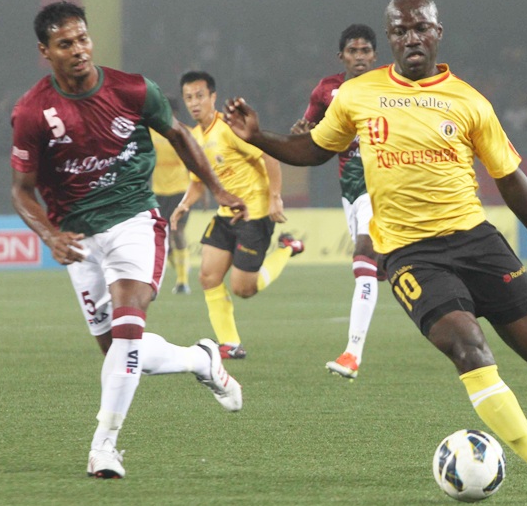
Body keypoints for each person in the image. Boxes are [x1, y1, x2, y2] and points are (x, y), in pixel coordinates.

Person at [223, 0, 527, 498]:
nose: (412, 38)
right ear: (390, 38)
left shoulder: (470, 100)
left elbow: (511, 178)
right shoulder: (358, 94)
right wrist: (258, 136)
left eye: (420, 28)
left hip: (475, 238)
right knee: (469, 348)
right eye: (401, 30)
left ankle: (490, 339)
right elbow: (315, 149)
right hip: (410, 252)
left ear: (437, 32)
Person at [10, 1, 247, 480]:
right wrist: (50, 235)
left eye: (82, 39)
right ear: (45, 51)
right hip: (78, 237)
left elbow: (179, 136)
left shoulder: (132, 89)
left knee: (128, 326)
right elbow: (21, 191)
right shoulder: (33, 112)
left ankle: (104, 446)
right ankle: (199, 359)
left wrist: (217, 187)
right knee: (120, 348)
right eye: (65, 44)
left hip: (134, 220)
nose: (78, 50)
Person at [171, 71, 304, 360]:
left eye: (200, 96)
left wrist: (275, 198)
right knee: (208, 276)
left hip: (255, 214)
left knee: (244, 288)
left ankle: (286, 248)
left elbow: (268, 156)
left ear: (213, 97)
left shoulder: (230, 129)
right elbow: (197, 181)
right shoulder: (193, 138)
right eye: (189, 98)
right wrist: (184, 204)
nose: (195, 103)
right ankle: (230, 344)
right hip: (225, 214)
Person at [291, 24, 380, 380]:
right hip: (351, 186)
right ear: (341, 56)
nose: (359, 57)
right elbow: (309, 136)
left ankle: (352, 353)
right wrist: (301, 137)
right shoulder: (327, 90)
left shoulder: (388, 86)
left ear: (375, 55)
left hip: (384, 183)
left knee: (364, 258)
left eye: (365, 51)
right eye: (353, 51)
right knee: (380, 266)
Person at [151, 97, 192, 295]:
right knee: (161, 237)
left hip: (180, 190)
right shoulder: (151, 132)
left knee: (178, 232)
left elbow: (195, 162)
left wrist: (201, 191)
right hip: (158, 192)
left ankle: (183, 281)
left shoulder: (184, 132)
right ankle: (182, 269)